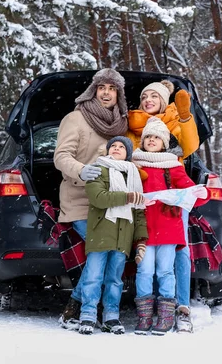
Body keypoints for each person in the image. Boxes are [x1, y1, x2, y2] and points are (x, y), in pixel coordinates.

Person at [54, 68, 129, 330]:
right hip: (80, 198)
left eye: (112, 88)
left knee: (108, 252)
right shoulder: (76, 119)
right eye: (102, 87)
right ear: (93, 90)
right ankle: (87, 309)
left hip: (113, 201)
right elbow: (61, 156)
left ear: (118, 94)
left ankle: (80, 305)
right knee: (104, 250)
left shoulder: (121, 122)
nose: (107, 93)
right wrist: (81, 170)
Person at [127, 79, 199, 333]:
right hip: (144, 215)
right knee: (145, 268)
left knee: (176, 256)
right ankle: (146, 313)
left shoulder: (173, 124)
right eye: (144, 96)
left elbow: (190, 146)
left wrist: (185, 117)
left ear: (163, 100)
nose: (149, 100)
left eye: (154, 96)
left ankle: (178, 308)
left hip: (168, 210)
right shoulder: (130, 127)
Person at [76, 136, 150, 335]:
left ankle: (111, 317)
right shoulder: (98, 170)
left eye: (121, 147)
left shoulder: (133, 176)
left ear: (128, 153)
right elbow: (98, 198)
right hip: (100, 233)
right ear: (108, 150)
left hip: (123, 236)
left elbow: (139, 211)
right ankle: (88, 315)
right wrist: (127, 197)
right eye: (113, 146)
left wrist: (141, 240)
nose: (116, 148)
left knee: (115, 280)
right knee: (93, 277)